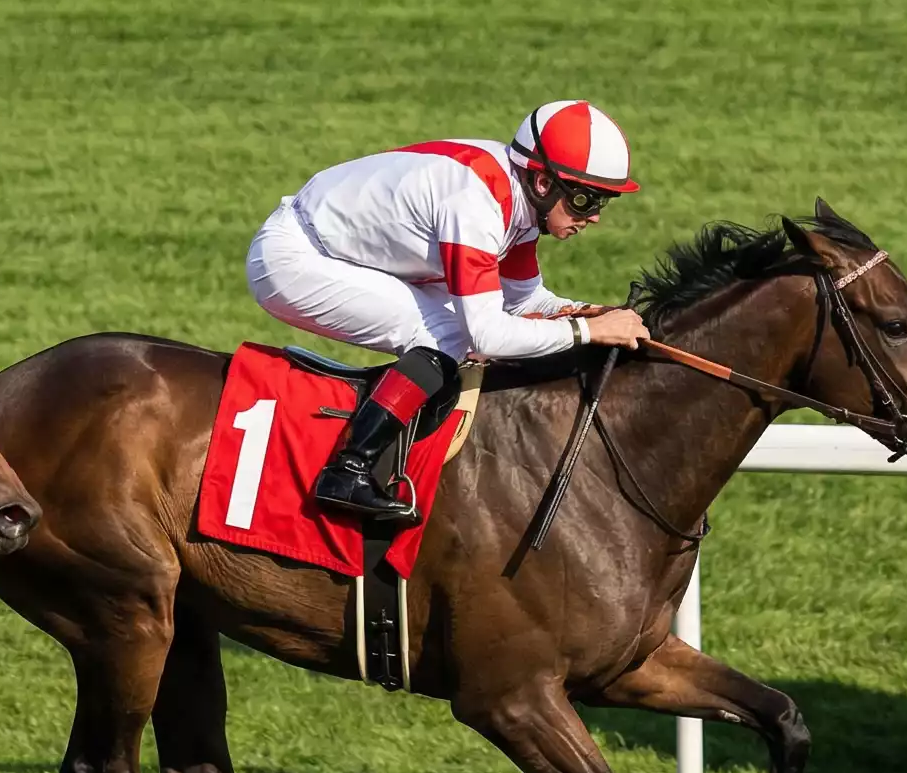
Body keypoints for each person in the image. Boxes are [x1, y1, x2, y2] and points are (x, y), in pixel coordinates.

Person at [246, 99, 655, 524]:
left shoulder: (517, 200)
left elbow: (524, 301)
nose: (594, 218)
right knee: (450, 334)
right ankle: (348, 471)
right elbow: (487, 335)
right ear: (542, 182)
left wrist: (589, 313)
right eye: (586, 200)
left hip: (333, 246)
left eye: (603, 203)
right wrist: (589, 332)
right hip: (294, 260)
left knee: (455, 328)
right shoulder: (476, 205)